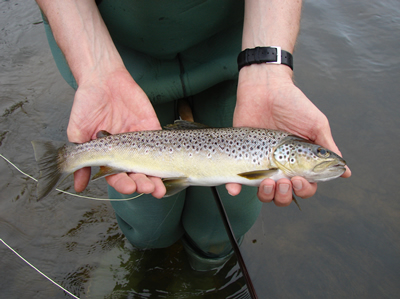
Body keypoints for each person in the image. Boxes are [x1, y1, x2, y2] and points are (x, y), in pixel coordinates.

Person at [36, 0, 351, 270]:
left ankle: (203, 273)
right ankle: (149, 266)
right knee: (147, 223)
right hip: (118, 63)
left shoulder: (273, 152)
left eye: (319, 154)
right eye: (320, 155)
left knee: (228, 221)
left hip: (237, 59)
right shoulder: (270, 163)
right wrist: (94, 69)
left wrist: (270, 69)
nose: (325, 157)